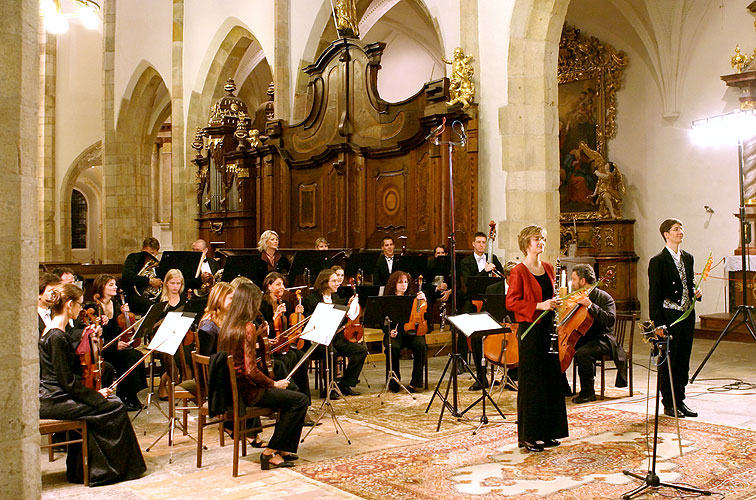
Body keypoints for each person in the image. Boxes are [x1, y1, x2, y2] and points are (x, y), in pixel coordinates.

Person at [39, 284, 146, 485]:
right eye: (79, 305)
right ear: (69, 304)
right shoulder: (56, 336)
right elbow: (66, 381)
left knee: (111, 402)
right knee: (113, 406)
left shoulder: (55, 332)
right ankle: (106, 470)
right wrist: (96, 395)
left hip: (58, 395)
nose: (80, 310)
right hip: (54, 399)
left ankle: (84, 469)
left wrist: (97, 392)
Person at [217, 282, 309, 470]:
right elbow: (250, 370)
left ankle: (283, 449)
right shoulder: (247, 327)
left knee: (293, 390)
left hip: (234, 389)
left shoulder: (228, 323)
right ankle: (270, 452)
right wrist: (273, 384)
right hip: (249, 391)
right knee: (300, 400)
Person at [506, 224, 568, 452]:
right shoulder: (518, 271)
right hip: (529, 330)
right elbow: (511, 302)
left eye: (542, 239)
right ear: (526, 244)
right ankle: (529, 436)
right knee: (532, 383)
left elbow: (551, 296)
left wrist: (554, 305)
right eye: (536, 239)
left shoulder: (550, 268)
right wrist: (539, 305)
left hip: (547, 330)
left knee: (550, 380)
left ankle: (549, 431)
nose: (540, 242)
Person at [648, 218, 702, 418]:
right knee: (669, 360)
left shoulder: (688, 257)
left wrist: (697, 293)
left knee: (683, 361)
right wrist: (658, 323)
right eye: (676, 229)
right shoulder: (658, 261)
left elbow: (689, 283)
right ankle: (668, 403)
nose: (681, 232)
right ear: (666, 234)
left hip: (687, 316)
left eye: (681, 228)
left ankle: (680, 400)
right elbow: (654, 295)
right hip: (670, 317)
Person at [303, 269, 367, 398]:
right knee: (332, 352)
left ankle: (345, 384)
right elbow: (308, 325)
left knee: (360, 350)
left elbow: (340, 322)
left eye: (338, 281)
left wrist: (347, 308)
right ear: (324, 282)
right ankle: (329, 388)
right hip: (318, 340)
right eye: (334, 281)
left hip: (336, 339)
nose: (338, 283)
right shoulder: (311, 300)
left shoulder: (336, 298)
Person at [569, 264, 627, 404]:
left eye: (574, 279)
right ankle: (563, 387)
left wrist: (590, 305)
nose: (572, 282)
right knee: (558, 349)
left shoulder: (604, 298)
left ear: (583, 281)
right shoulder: (576, 297)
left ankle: (588, 393)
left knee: (583, 353)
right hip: (585, 338)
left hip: (603, 339)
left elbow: (610, 320)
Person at [90, 274, 147, 411]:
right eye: (111, 285)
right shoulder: (94, 307)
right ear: (101, 287)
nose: (115, 287)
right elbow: (94, 336)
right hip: (105, 348)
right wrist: (116, 345)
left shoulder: (116, 305)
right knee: (130, 358)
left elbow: (119, 329)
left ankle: (130, 395)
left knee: (137, 355)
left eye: (115, 284)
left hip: (116, 346)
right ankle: (125, 398)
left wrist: (124, 315)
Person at [259, 272, 312, 413]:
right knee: (289, 359)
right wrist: (274, 316)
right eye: (278, 284)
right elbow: (265, 330)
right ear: (269, 286)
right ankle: (289, 399)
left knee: (301, 356)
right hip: (271, 345)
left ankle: (305, 398)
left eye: (282, 284)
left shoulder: (285, 303)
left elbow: (287, 328)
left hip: (284, 344)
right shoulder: (262, 305)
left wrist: (296, 314)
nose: (281, 287)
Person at [459, 231, 504, 389]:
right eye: (478, 242)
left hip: (490, 300)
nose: (481, 245)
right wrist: (484, 271)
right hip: (472, 300)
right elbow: (468, 284)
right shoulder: (466, 262)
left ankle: (509, 369)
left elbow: (503, 278)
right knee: (465, 324)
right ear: (473, 244)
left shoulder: (493, 259)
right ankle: (464, 362)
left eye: (484, 242)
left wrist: (495, 272)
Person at [383, 271, 428, 392]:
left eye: (406, 282)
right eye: (400, 282)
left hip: (411, 332)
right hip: (395, 333)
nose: (404, 285)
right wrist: (389, 331)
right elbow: (381, 321)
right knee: (392, 348)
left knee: (421, 345)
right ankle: (394, 382)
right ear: (394, 284)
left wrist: (424, 300)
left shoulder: (414, 298)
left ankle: (416, 382)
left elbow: (422, 314)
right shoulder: (387, 299)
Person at [154, 269, 187, 400]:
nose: (175, 286)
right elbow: (153, 324)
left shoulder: (184, 299)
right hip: (165, 336)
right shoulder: (160, 300)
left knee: (187, 353)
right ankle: (164, 383)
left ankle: (184, 385)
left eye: (178, 283)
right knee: (169, 353)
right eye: (172, 283)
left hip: (182, 335)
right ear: (166, 283)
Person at [122, 237, 163, 315]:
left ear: (157, 252)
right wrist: (149, 281)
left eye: (152, 253)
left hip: (150, 295)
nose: (147, 256)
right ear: (142, 249)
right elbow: (127, 276)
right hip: (132, 294)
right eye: (145, 253)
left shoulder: (158, 265)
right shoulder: (133, 258)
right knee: (151, 307)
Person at [196, 282, 234, 356]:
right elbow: (205, 357)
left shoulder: (225, 318)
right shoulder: (208, 325)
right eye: (231, 298)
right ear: (220, 298)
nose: (234, 302)